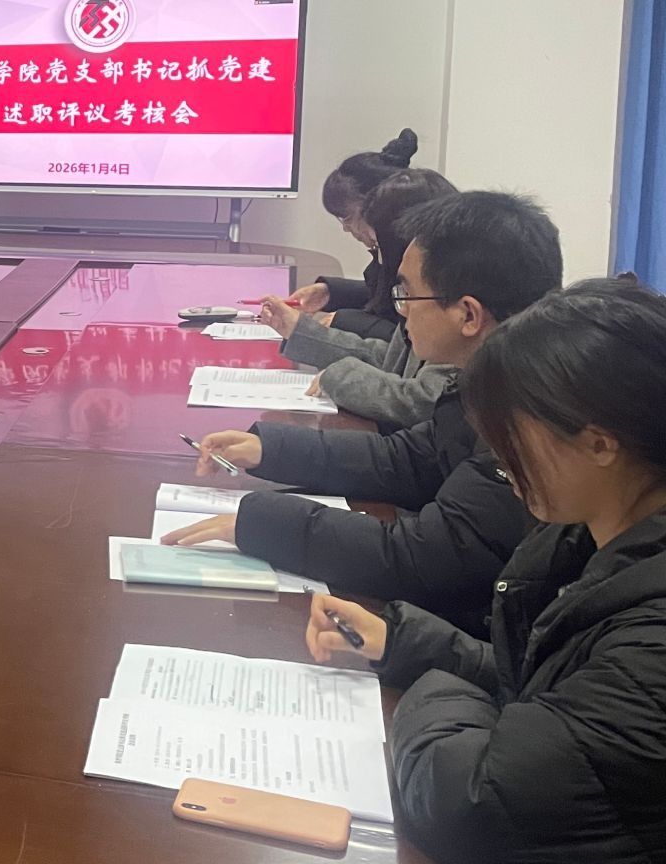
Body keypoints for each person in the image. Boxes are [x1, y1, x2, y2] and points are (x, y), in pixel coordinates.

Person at [304, 279, 666, 864]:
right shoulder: (586, 537)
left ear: (601, 445)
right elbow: (557, 691)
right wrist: (404, 641)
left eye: (511, 434)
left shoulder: (652, 641)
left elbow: (462, 801)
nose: (499, 457)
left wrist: (436, 684)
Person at [164, 192, 561, 633]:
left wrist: (261, 523)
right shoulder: (489, 382)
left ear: (468, 315)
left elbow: (422, 559)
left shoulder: (527, 417)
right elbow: (407, 460)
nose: (399, 312)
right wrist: (268, 449)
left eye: (407, 294)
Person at [266, 168, 459, 430]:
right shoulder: (429, 287)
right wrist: (302, 332)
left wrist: (340, 377)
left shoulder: (449, 302)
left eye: (378, 245)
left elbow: (423, 400)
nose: (375, 253)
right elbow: (393, 360)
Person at [271, 129, 419, 338]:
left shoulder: (414, 251)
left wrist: (342, 321)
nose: (346, 228)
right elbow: (385, 297)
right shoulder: (389, 244)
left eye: (347, 218)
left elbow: (408, 336)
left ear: (376, 207)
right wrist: (330, 293)